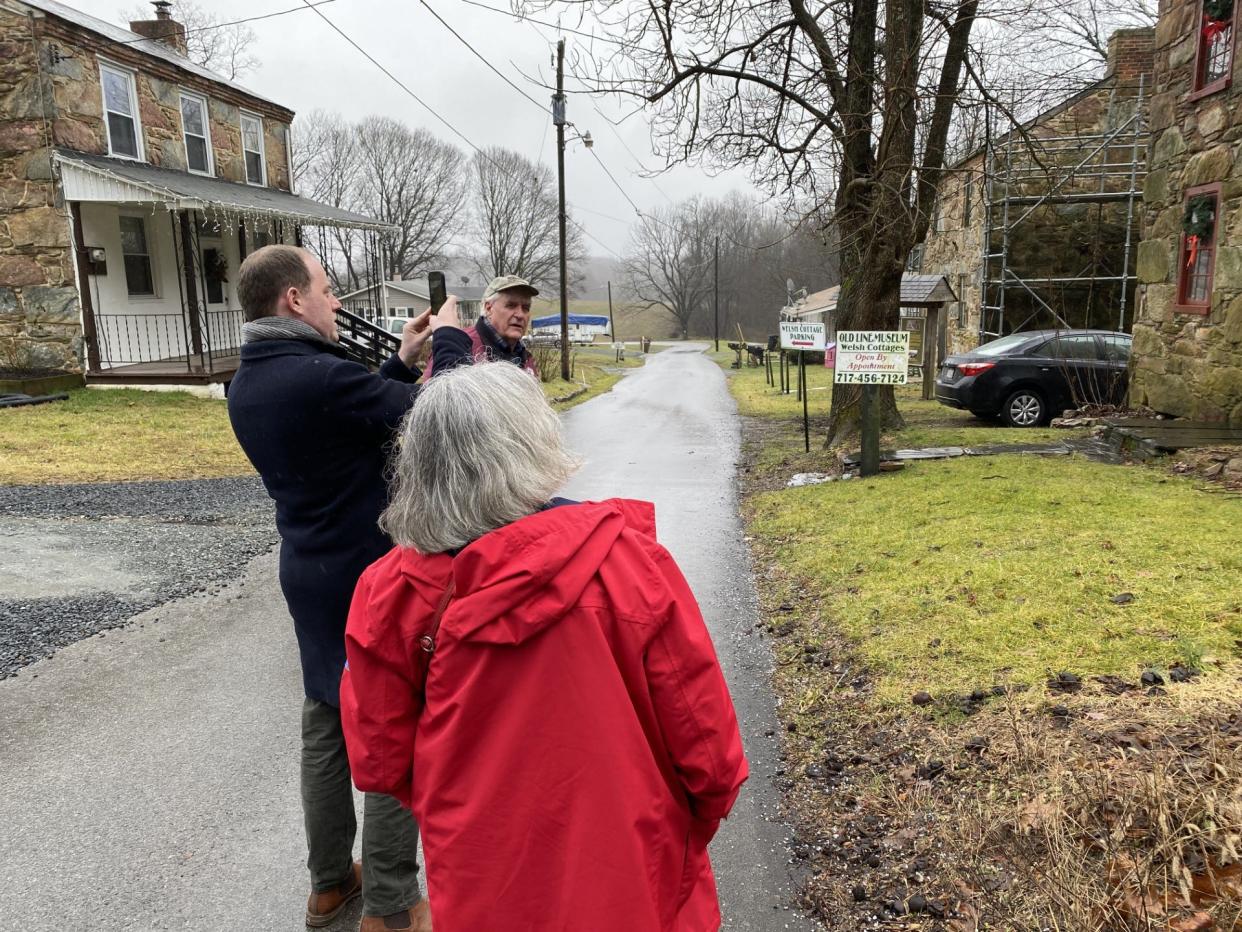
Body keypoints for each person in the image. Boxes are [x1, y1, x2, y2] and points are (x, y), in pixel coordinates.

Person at [340, 362, 749, 931]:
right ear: (534, 446)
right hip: (634, 873)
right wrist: (680, 825)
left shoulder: (386, 593)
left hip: (482, 879)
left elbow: (380, 761)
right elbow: (711, 755)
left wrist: (462, 802)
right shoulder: (629, 566)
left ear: (419, 465)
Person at [227, 245, 471, 932]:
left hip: (310, 572)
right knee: (392, 722)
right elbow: (436, 419)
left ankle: (330, 884)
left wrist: (399, 361)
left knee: (327, 722)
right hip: (368, 575)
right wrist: (450, 338)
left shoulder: (253, 380)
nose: (335, 301)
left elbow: (353, 424)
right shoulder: (320, 378)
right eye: (326, 290)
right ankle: (393, 903)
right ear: (292, 301)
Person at [423, 274, 539, 375]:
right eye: (511, 305)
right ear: (488, 308)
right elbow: (433, 396)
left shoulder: (524, 356)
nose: (520, 315)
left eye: (526, 308)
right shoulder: (457, 347)